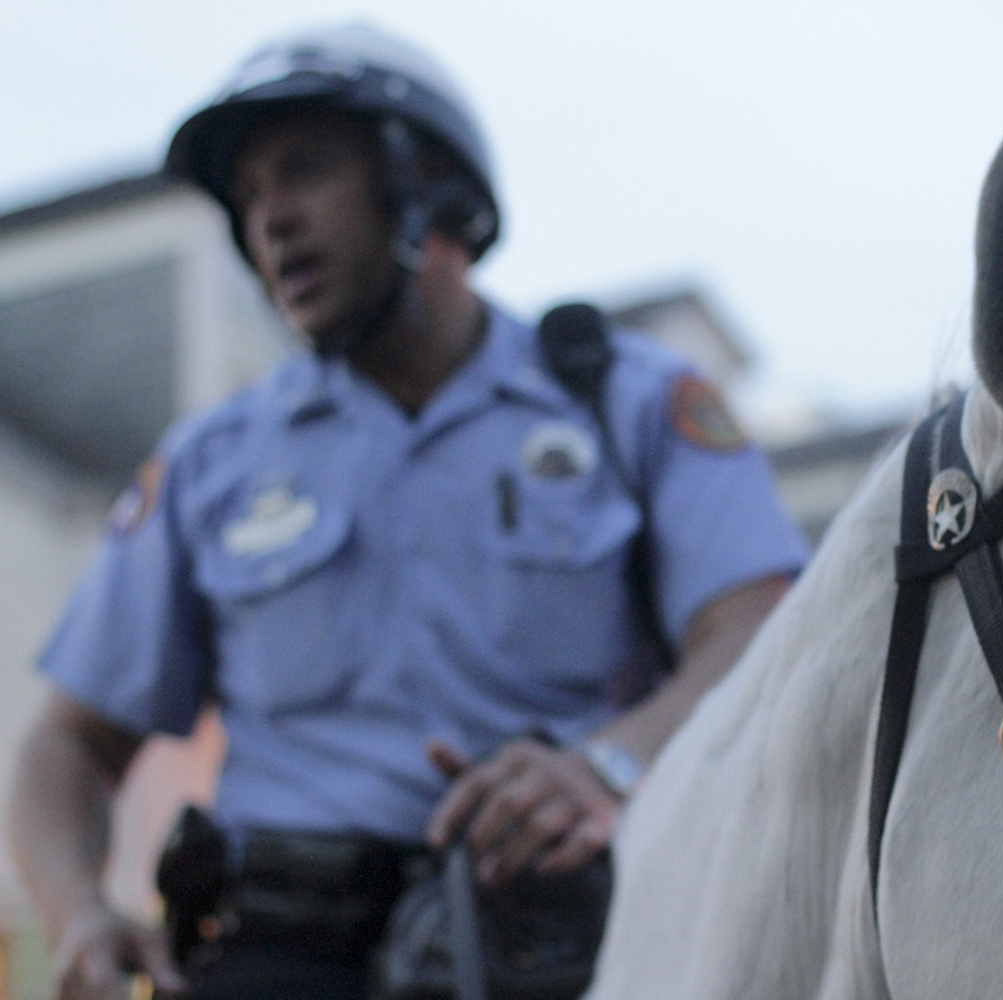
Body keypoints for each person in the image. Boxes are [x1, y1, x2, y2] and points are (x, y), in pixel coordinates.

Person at [9, 23, 808, 1000]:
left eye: (302, 173)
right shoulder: (211, 464)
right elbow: (66, 744)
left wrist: (610, 763)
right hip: (278, 952)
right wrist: (78, 911)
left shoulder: (632, 402)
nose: (271, 220)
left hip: (584, 944)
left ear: (427, 183)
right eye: (249, 197)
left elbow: (762, 631)